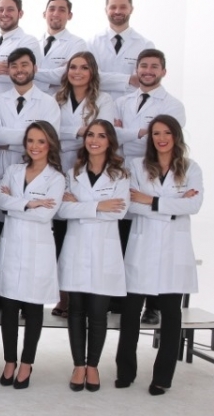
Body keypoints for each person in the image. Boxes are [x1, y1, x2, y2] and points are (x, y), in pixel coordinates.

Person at [116, 115, 203, 396]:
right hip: (142, 247)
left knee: (171, 315)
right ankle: (125, 371)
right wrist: (173, 206)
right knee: (131, 314)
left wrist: (151, 200)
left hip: (173, 250)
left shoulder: (191, 168)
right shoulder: (137, 166)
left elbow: (194, 205)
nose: (161, 138)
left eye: (167, 133)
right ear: (150, 138)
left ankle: (162, 377)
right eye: (156, 133)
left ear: (176, 136)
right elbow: (130, 204)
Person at [58, 119, 128, 392]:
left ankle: (93, 366)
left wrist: (82, 206)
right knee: (75, 310)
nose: (94, 140)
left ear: (110, 141)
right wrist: (99, 206)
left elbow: (119, 211)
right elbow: (63, 210)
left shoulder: (120, 175)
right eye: (90, 135)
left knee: (98, 312)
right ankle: (78, 365)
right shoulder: (72, 173)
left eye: (101, 135)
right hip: (77, 248)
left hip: (104, 250)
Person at [0, 121, 64, 390]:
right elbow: (0, 201)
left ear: (50, 145)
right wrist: (31, 202)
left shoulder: (56, 178)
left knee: (33, 308)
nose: (35, 146)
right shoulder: (13, 170)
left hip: (38, 249)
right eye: (31, 141)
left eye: (41, 141)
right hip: (12, 245)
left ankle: (26, 363)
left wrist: (17, 204)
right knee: (9, 307)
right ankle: (9, 361)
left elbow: (45, 214)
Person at [0, 48, 61, 173]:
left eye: (24, 65)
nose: (19, 70)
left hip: (35, 168)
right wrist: (33, 137)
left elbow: (50, 138)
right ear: (8, 70)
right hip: (2, 166)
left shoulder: (48, 102)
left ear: (35, 68)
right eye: (14, 66)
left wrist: (9, 145)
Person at [115, 49, 186, 158]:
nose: (148, 71)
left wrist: (123, 134)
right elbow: (110, 136)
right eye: (144, 66)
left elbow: (163, 140)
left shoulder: (174, 106)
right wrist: (141, 132)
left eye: (154, 67)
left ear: (163, 72)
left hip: (153, 165)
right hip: (121, 164)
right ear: (136, 70)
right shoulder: (121, 102)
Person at [54, 52, 118, 171]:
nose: (77, 72)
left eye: (84, 68)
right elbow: (48, 131)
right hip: (55, 160)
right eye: (73, 67)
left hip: (88, 162)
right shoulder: (55, 98)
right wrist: (78, 131)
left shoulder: (104, 99)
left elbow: (102, 135)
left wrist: (62, 139)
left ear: (92, 72)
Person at [89, 0, 155, 96]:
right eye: (113, 7)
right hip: (98, 103)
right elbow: (91, 78)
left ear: (131, 9)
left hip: (132, 104)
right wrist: (129, 79)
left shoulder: (145, 45)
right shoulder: (92, 43)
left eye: (123, 7)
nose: (117, 11)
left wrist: (106, 80)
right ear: (106, 10)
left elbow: (142, 81)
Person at [0, 0, 41, 96]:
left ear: (20, 14)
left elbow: (22, 74)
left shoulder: (29, 42)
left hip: (12, 102)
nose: (4, 13)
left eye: (10, 9)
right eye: (0, 10)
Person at [34, 0, 88, 94]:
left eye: (62, 10)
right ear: (44, 14)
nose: (56, 14)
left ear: (70, 16)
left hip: (60, 100)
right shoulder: (33, 44)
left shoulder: (78, 44)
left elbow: (67, 75)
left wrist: (30, 73)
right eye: (52, 9)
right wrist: (52, 80)